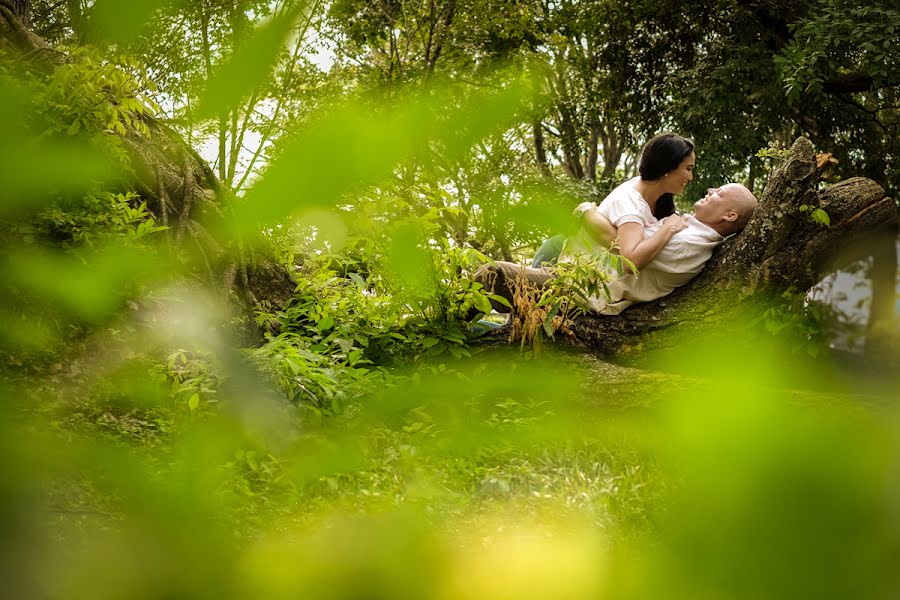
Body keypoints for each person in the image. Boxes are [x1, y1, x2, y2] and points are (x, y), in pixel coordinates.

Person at [475, 183, 758, 315]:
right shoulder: (688, 227)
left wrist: (587, 212)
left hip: (581, 291)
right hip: (574, 268)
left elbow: (624, 251)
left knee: (490, 274)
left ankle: (446, 325)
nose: (710, 191)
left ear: (730, 216)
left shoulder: (691, 243)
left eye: (719, 193)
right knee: (498, 313)